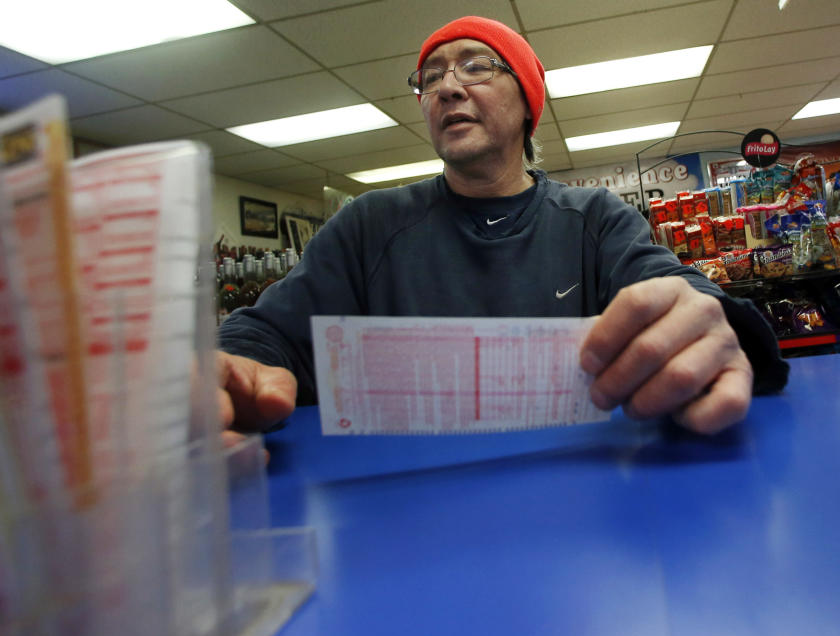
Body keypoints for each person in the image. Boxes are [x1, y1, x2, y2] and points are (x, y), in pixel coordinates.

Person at [216, 15, 788, 439]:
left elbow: (672, 289)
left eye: (476, 66)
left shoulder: (595, 218)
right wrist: (233, 370)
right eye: (431, 76)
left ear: (528, 103)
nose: (446, 87)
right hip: (409, 507)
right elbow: (267, 333)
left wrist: (709, 326)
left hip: (577, 488)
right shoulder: (368, 225)